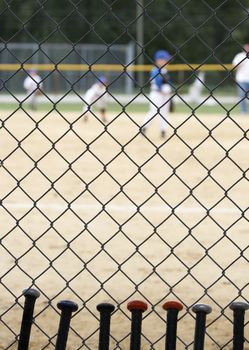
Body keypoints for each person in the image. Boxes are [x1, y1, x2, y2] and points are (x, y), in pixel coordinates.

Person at [142, 50, 172, 139]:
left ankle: (163, 131)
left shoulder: (164, 70)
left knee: (164, 113)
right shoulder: (155, 70)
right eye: (166, 59)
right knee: (154, 112)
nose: (167, 61)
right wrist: (160, 90)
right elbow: (157, 81)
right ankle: (144, 128)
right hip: (156, 94)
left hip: (165, 95)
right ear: (159, 60)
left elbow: (166, 83)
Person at [232, 44, 249, 114]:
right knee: (242, 96)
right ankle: (243, 111)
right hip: (242, 79)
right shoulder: (239, 56)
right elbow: (234, 66)